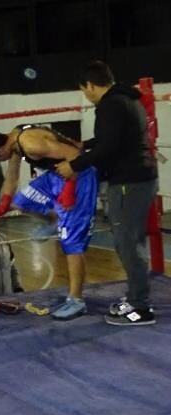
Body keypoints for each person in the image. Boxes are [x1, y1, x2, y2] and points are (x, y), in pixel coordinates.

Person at [56, 61, 158, 326]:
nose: (86, 96)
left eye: (85, 90)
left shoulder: (110, 105)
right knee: (131, 241)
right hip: (139, 179)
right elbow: (115, 139)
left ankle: (140, 307)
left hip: (128, 182)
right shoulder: (126, 99)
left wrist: (74, 165)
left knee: (126, 243)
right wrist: (84, 145)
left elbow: (109, 147)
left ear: (90, 85)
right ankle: (137, 298)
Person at [0, 123, 97, 321]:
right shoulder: (13, 139)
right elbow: (12, 176)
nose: (0, 161)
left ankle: (77, 300)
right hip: (58, 175)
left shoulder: (30, 144)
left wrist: (69, 189)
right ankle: (53, 221)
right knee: (21, 201)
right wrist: (2, 205)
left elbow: (76, 154)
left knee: (71, 243)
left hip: (79, 174)